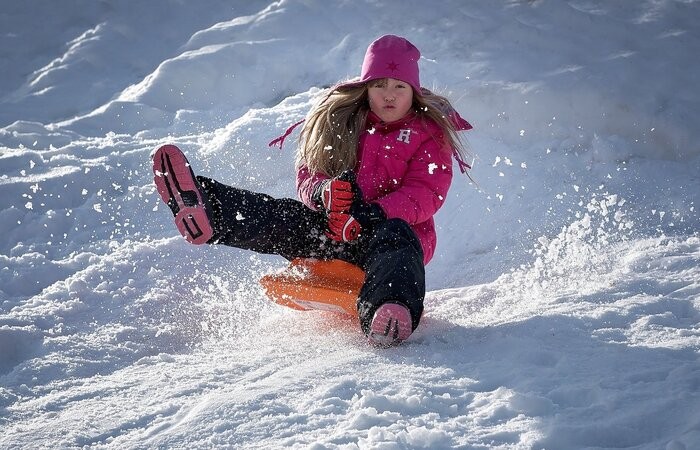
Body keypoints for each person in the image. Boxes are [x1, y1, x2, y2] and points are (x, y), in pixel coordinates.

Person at [152, 34, 473, 347]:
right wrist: (324, 193)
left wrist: (374, 212)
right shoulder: (345, 122)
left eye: (399, 87)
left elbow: (425, 193)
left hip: (387, 235)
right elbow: (311, 174)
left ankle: (388, 309)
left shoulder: (426, 134)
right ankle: (210, 209)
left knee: (398, 241)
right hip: (335, 230)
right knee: (286, 217)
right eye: (379, 85)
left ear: (413, 91)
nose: (389, 95)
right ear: (365, 88)